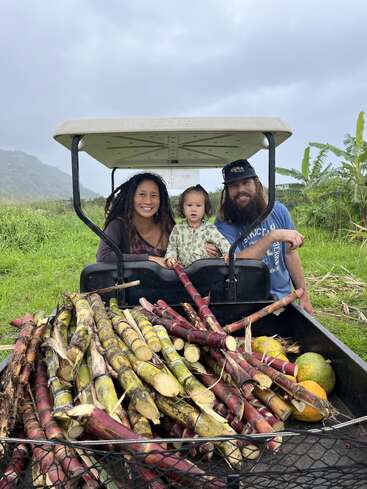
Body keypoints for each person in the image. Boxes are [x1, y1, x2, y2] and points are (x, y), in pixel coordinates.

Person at [215, 159, 313, 314]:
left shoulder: (279, 211)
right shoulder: (224, 223)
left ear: (256, 184)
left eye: (246, 182)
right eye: (234, 185)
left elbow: (290, 253)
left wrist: (304, 296)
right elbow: (235, 261)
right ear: (227, 191)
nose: (241, 189)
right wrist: (271, 236)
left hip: (282, 300)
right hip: (246, 303)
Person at [96, 172, 175, 266]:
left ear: (161, 200)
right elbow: (104, 257)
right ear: (131, 197)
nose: (148, 201)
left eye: (154, 195)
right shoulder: (118, 225)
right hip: (130, 280)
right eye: (142, 194)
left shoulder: (168, 227)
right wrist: (150, 259)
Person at [165, 185, 230, 268]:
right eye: (189, 205)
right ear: (182, 207)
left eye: (198, 205)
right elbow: (172, 247)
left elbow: (222, 242)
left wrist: (228, 253)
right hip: (183, 272)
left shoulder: (209, 228)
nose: (193, 209)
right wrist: (170, 258)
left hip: (204, 270)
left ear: (205, 208)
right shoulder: (178, 229)